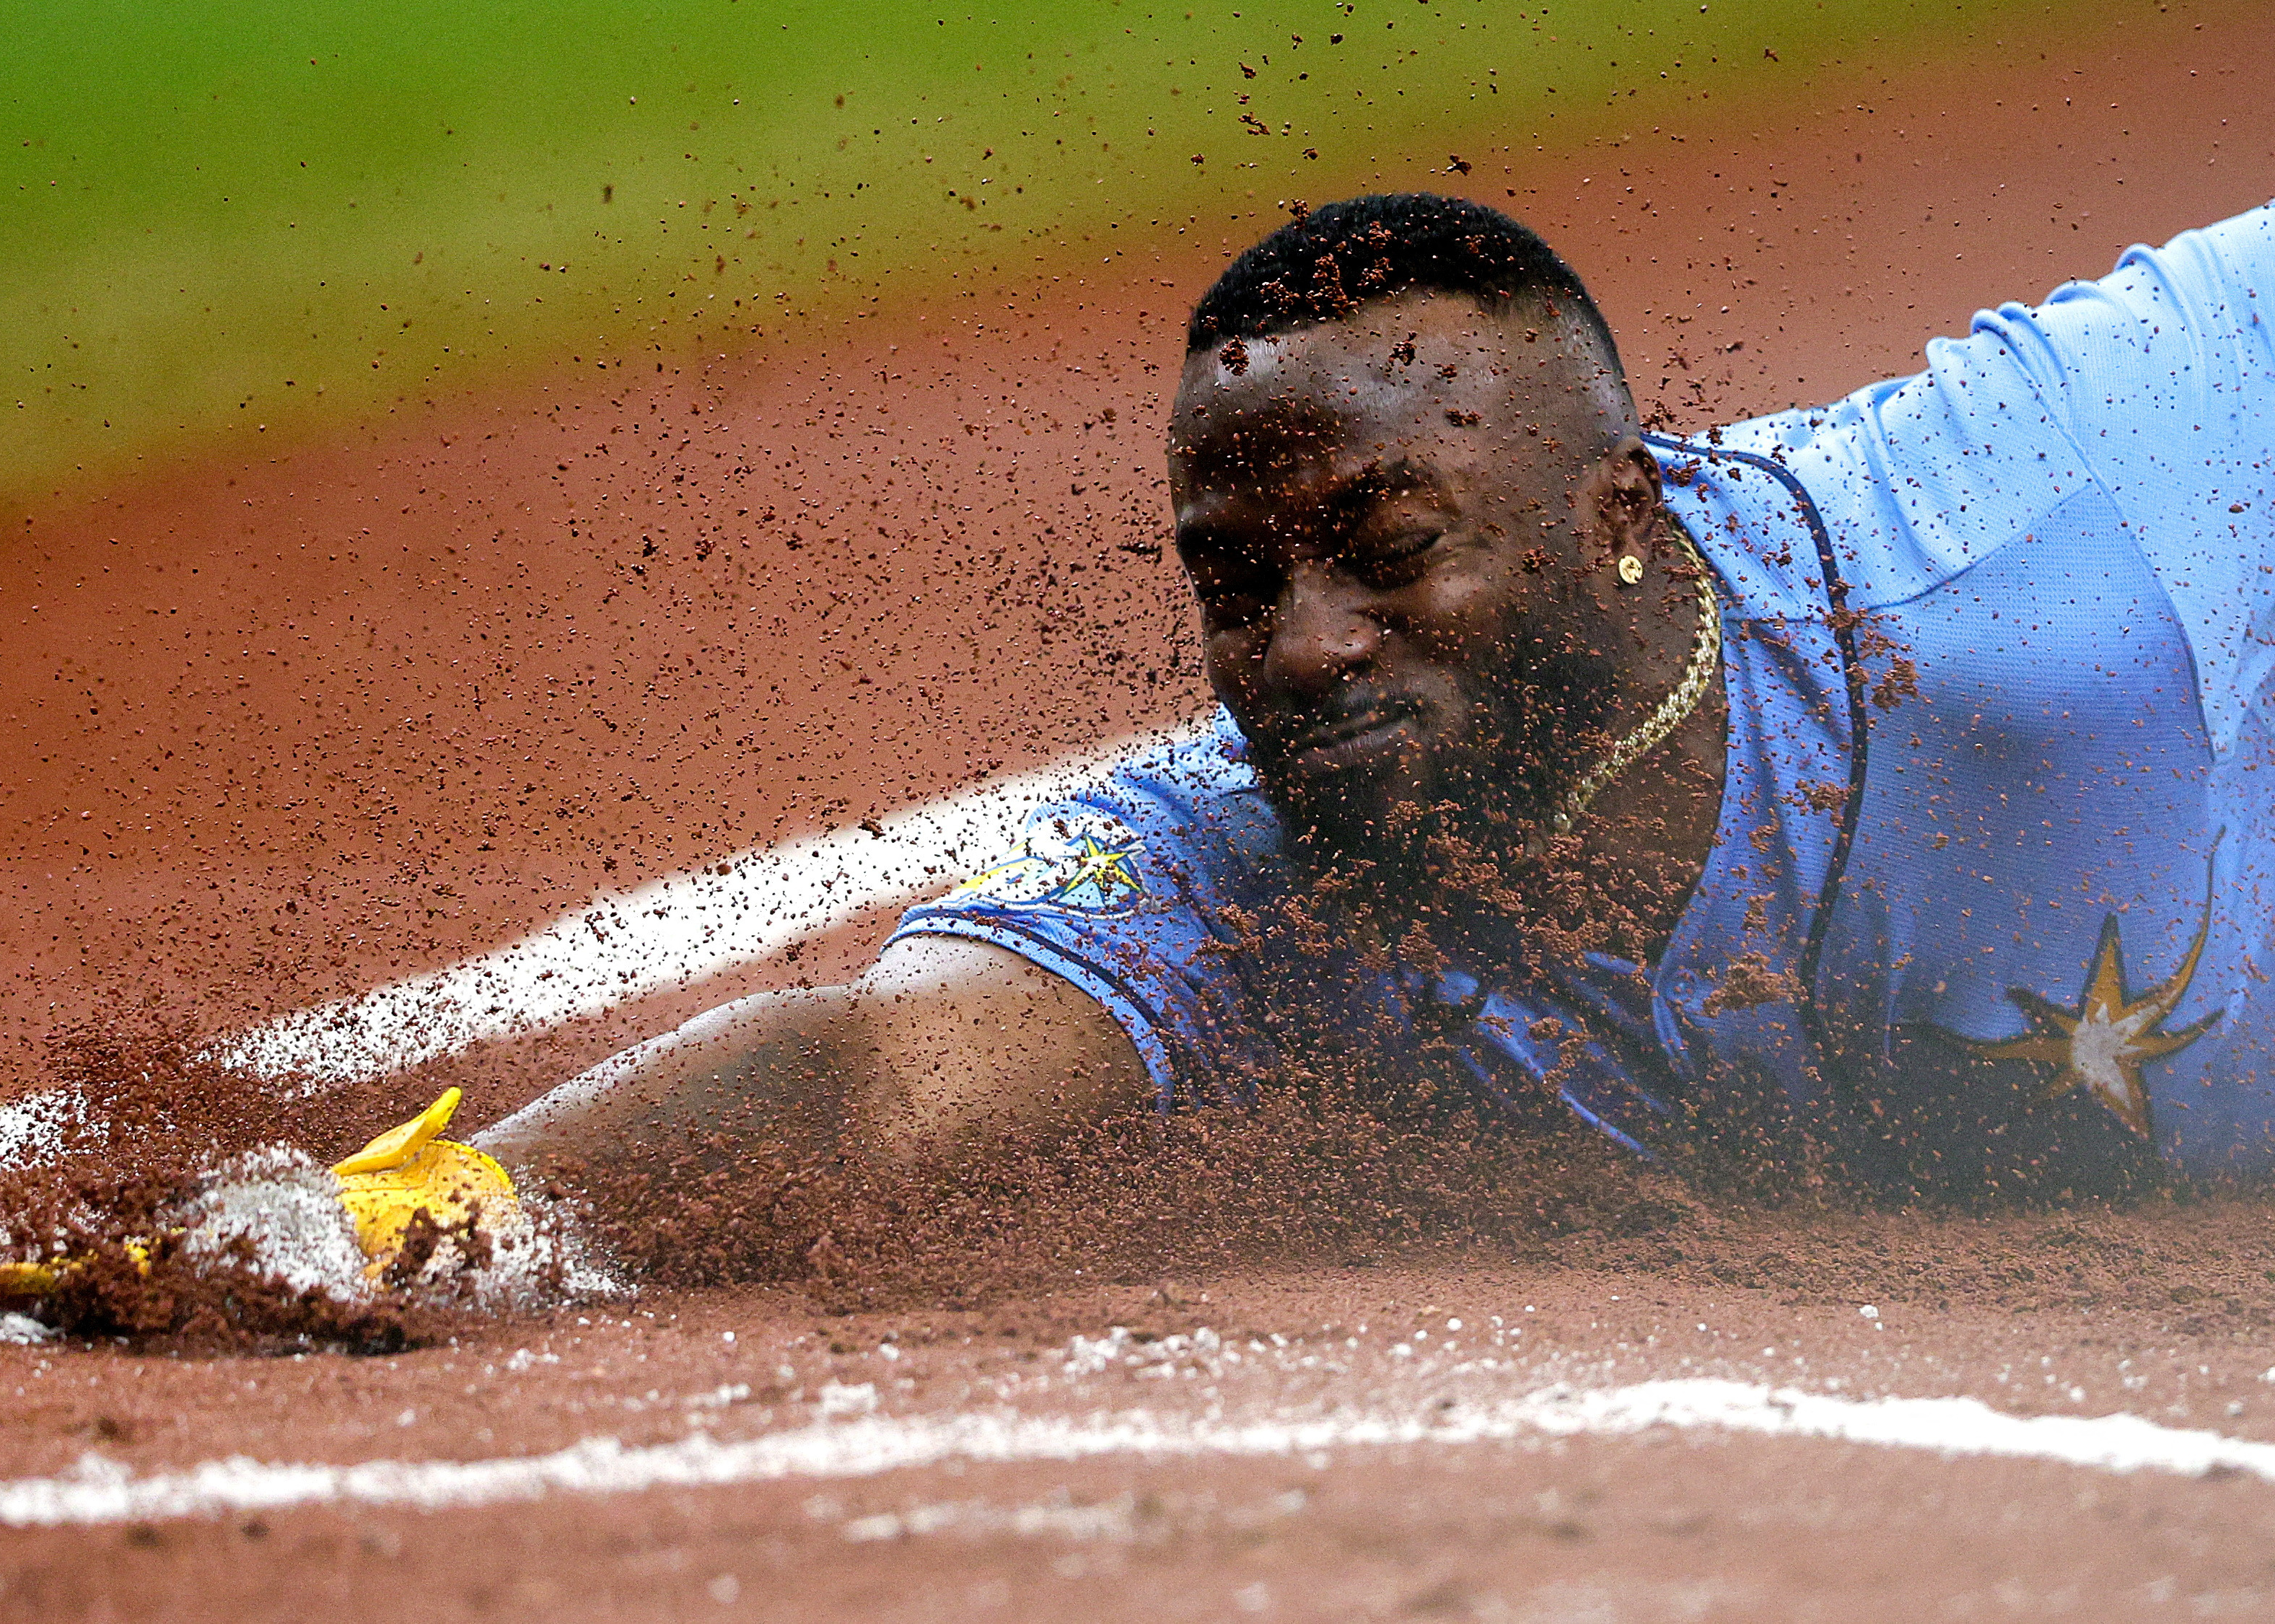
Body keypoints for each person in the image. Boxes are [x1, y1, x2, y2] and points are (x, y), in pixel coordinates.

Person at [467, 192, 2275, 1221]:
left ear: (1616, 516)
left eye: (1385, 544)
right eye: (1234, 582)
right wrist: (368, 1229)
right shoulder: (1244, 870)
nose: (1304, 645)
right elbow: (865, 1072)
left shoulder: (2016, 500)